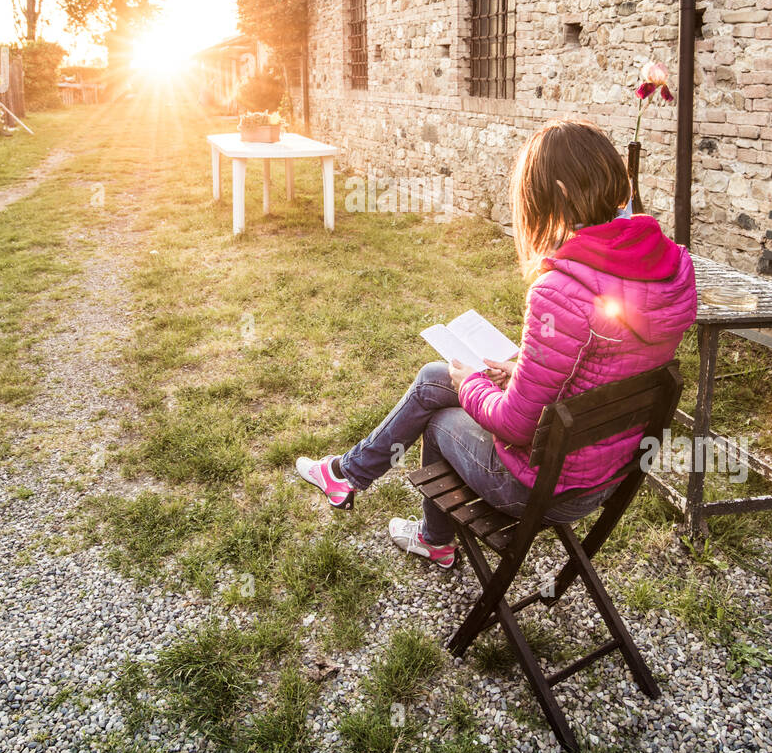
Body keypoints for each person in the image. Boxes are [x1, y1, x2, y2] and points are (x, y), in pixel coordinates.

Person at [296, 119, 697, 570]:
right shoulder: (671, 265)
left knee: (439, 414)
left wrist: (469, 384)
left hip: (547, 486)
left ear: (560, 193)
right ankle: (345, 475)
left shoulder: (560, 289)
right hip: (609, 467)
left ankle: (431, 536)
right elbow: (608, 362)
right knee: (432, 378)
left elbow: (514, 428)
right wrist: (522, 366)